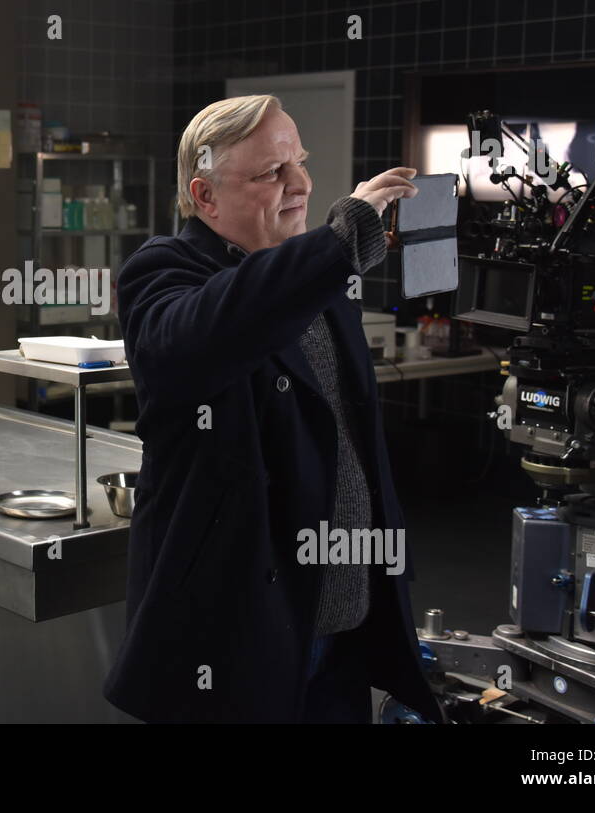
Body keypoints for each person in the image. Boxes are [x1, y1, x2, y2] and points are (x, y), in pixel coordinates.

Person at [103, 94, 442, 723]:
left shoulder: (318, 280)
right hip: (236, 643)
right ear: (203, 196)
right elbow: (208, 334)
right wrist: (338, 243)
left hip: (343, 626)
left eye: (300, 163)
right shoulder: (162, 272)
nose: (302, 184)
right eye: (270, 173)